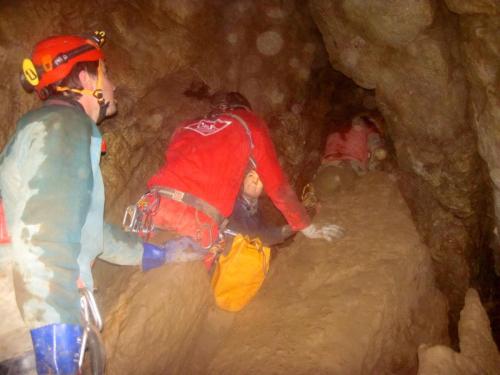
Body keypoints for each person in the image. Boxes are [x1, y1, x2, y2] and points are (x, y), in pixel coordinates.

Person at [0, 31, 164, 375]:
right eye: (106, 73)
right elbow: (43, 235)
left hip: (20, 302)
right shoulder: (64, 126)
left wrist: (152, 253)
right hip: (26, 313)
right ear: (87, 78)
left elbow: (86, 231)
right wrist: (57, 336)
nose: (114, 85)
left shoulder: (48, 129)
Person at [139, 91, 344, 266]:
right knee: (221, 257)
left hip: (150, 205)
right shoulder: (250, 124)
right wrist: (305, 225)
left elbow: (182, 166)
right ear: (243, 109)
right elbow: (278, 186)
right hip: (193, 219)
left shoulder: (186, 125)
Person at [228, 169, 293, 246]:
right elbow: (254, 236)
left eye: (259, 179)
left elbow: (261, 227)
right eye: (251, 176)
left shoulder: (252, 201)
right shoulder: (236, 211)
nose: (255, 181)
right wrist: (282, 232)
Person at [322, 113, 387, 175]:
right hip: (351, 165)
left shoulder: (340, 127)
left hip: (329, 163)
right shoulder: (371, 129)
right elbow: (376, 148)